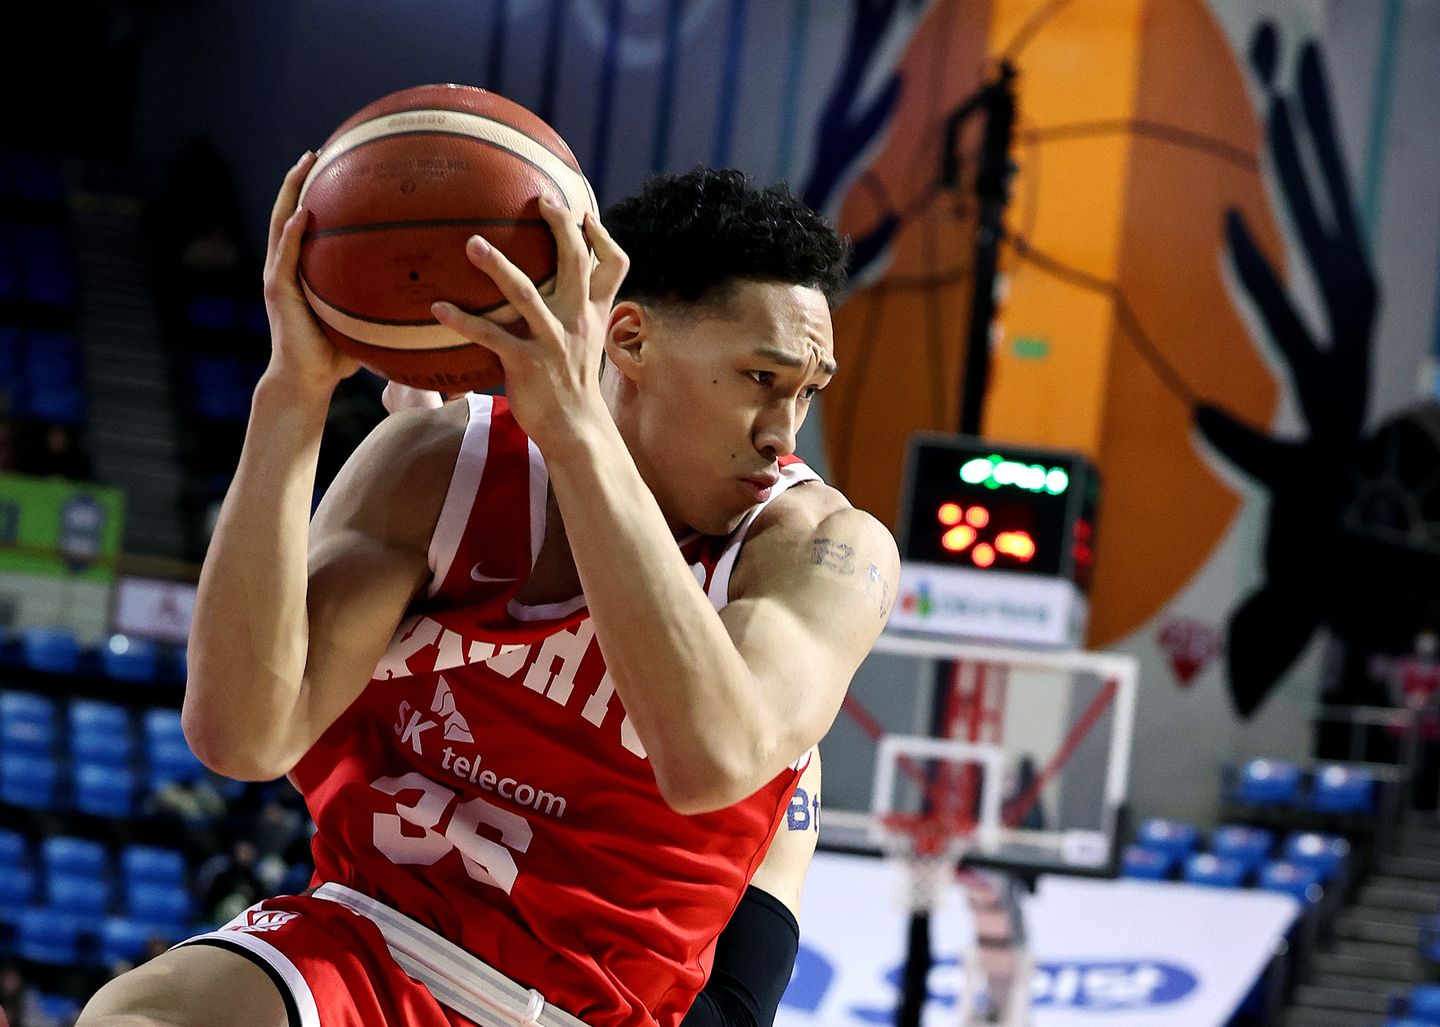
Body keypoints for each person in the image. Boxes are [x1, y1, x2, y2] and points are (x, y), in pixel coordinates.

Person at [80, 162, 895, 1027]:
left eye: (808, 393)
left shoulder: (822, 549)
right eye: (763, 380)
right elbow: (241, 735)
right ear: (628, 339)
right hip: (373, 943)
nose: (783, 432)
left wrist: (578, 433)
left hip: (600, 1008)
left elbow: (710, 760)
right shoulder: (445, 469)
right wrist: (293, 394)